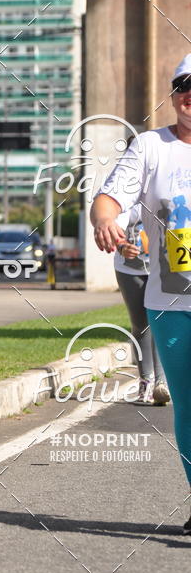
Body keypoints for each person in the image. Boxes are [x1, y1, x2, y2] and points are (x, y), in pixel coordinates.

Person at [91, 54, 191, 533]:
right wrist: (105, 218)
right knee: (187, 406)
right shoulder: (151, 147)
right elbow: (110, 198)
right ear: (173, 95)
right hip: (171, 302)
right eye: (184, 87)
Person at [113, 202, 170, 405]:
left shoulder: (165, 194)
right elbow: (114, 226)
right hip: (130, 270)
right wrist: (121, 246)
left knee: (160, 322)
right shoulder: (127, 199)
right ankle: (146, 381)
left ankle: (161, 383)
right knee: (141, 324)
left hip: (163, 268)